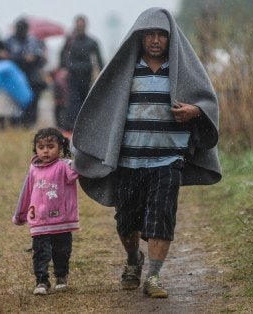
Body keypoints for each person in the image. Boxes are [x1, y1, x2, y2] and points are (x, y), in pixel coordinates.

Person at [71, 7, 221, 299]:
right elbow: (102, 107)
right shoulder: (124, 73)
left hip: (169, 161)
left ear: (171, 39)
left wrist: (195, 111)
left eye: (161, 35)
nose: (155, 40)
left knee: (162, 218)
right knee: (127, 222)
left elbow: (207, 104)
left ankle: (153, 275)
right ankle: (132, 260)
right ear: (139, 37)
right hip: (129, 161)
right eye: (149, 34)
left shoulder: (183, 73)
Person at [12, 127, 80, 295]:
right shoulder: (33, 168)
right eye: (41, 147)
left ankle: (61, 276)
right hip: (39, 220)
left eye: (50, 146)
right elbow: (26, 192)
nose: (45, 151)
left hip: (61, 221)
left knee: (62, 251)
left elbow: (78, 171)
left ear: (60, 148)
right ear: (35, 148)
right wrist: (20, 214)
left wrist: (76, 153)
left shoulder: (65, 166)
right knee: (41, 252)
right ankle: (42, 281)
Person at [58, 15, 104, 137]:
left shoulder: (92, 41)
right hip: (72, 75)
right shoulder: (70, 40)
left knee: (86, 101)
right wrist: (63, 68)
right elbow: (62, 55)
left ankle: (85, 127)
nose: (80, 27)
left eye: (82, 25)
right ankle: (70, 127)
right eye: (78, 25)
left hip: (87, 75)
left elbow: (100, 60)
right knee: (73, 101)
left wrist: (102, 75)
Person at [4, 18, 47, 128]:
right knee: (16, 99)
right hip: (15, 75)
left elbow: (41, 56)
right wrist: (22, 58)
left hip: (32, 74)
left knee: (33, 97)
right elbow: (5, 56)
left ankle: (30, 122)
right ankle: (16, 122)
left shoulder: (33, 40)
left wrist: (34, 57)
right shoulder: (9, 41)